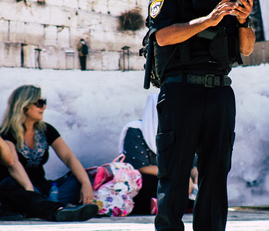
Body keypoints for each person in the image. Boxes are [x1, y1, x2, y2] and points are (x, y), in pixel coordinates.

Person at [146, 0, 255, 231]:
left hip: (220, 91)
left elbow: (246, 49)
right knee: (175, 173)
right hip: (181, 91)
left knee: (215, 172)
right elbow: (163, 36)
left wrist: (242, 20)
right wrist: (208, 20)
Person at [0, 85, 98, 221]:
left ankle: (46, 204)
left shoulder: (46, 129)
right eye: (39, 104)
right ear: (24, 106)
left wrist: (85, 183)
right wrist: (30, 193)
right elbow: (13, 164)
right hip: (22, 187)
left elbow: (68, 157)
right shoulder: (6, 133)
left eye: (43, 103)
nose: (44, 107)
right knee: (9, 185)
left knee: (83, 177)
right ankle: (55, 207)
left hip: (43, 188)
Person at [117, 93, 199, 215]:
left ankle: (177, 204)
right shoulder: (135, 130)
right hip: (153, 179)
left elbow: (192, 163)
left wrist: (198, 176)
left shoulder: (183, 129)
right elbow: (140, 167)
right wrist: (180, 176)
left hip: (180, 179)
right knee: (151, 182)